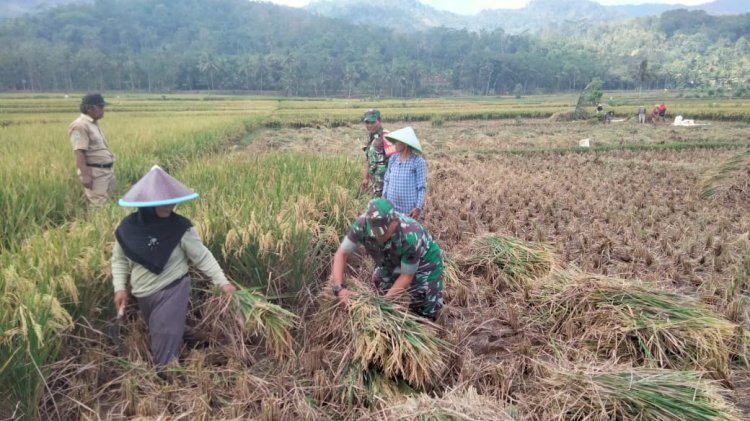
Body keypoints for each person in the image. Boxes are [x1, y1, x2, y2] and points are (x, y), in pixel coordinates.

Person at [112, 165, 236, 370]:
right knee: (161, 327)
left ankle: (166, 375)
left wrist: (223, 283)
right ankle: (199, 338)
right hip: (142, 292)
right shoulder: (128, 228)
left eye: (173, 200)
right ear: (146, 204)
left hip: (173, 287)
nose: (172, 205)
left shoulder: (180, 228)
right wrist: (120, 288)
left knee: (163, 336)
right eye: (165, 201)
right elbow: (119, 260)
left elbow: (202, 256)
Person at [331, 198, 444, 320]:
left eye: (381, 233)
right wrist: (339, 288)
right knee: (380, 281)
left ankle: (426, 321)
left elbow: (407, 276)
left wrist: (382, 305)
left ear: (394, 222)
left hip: (425, 261)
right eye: (373, 233)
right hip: (391, 257)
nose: (377, 237)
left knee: (424, 299)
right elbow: (341, 254)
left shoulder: (411, 236)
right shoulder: (363, 225)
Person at [68, 93, 115, 207]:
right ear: (90, 108)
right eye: (101, 107)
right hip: (95, 173)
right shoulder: (79, 126)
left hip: (106, 171)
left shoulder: (93, 123)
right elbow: (79, 151)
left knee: (109, 204)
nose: (103, 110)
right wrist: (86, 175)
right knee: (99, 206)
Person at [382, 127, 426, 219]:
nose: (394, 144)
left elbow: (421, 187)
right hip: (391, 208)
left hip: (408, 211)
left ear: (405, 144)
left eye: (397, 141)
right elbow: (387, 180)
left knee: (407, 232)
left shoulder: (418, 162)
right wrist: (384, 196)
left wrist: (417, 208)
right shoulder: (393, 159)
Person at [361, 109, 390, 198]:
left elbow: (394, 160)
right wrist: (366, 178)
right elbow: (369, 159)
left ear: (380, 121)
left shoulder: (386, 136)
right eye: (367, 122)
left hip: (385, 183)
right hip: (374, 182)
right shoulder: (370, 137)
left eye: (373, 122)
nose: (370, 125)